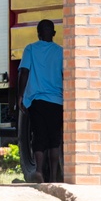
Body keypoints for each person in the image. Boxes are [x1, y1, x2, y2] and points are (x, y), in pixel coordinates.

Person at [18, 19, 64, 183]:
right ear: (54, 33)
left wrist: (20, 95)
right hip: (57, 102)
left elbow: (24, 72)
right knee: (54, 139)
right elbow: (66, 75)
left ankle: (38, 171)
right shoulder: (61, 52)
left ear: (37, 33)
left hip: (37, 101)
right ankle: (52, 176)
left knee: (39, 136)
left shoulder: (30, 49)